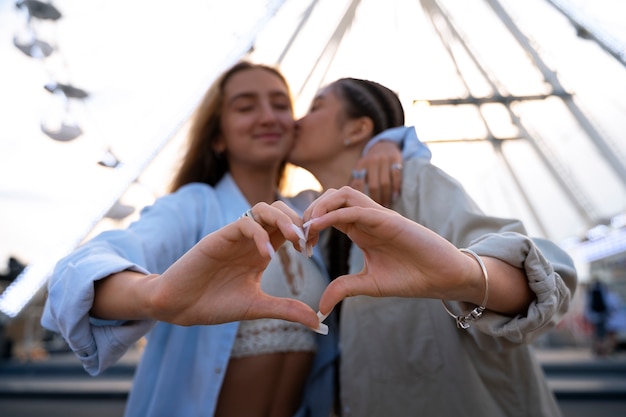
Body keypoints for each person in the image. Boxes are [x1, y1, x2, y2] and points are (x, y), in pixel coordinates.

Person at [40, 61, 410, 417]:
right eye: (246, 107)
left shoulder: (312, 211)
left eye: (281, 105)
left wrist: (387, 143)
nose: (268, 116)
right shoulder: (193, 207)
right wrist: (157, 295)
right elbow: (79, 270)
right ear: (218, 135)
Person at [288, 77, 578, 417]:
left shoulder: (413, 184)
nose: (296, 121)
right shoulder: (313, 223)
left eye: (317, 106)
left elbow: (547, 279)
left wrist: (467, 276)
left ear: (356, 130)